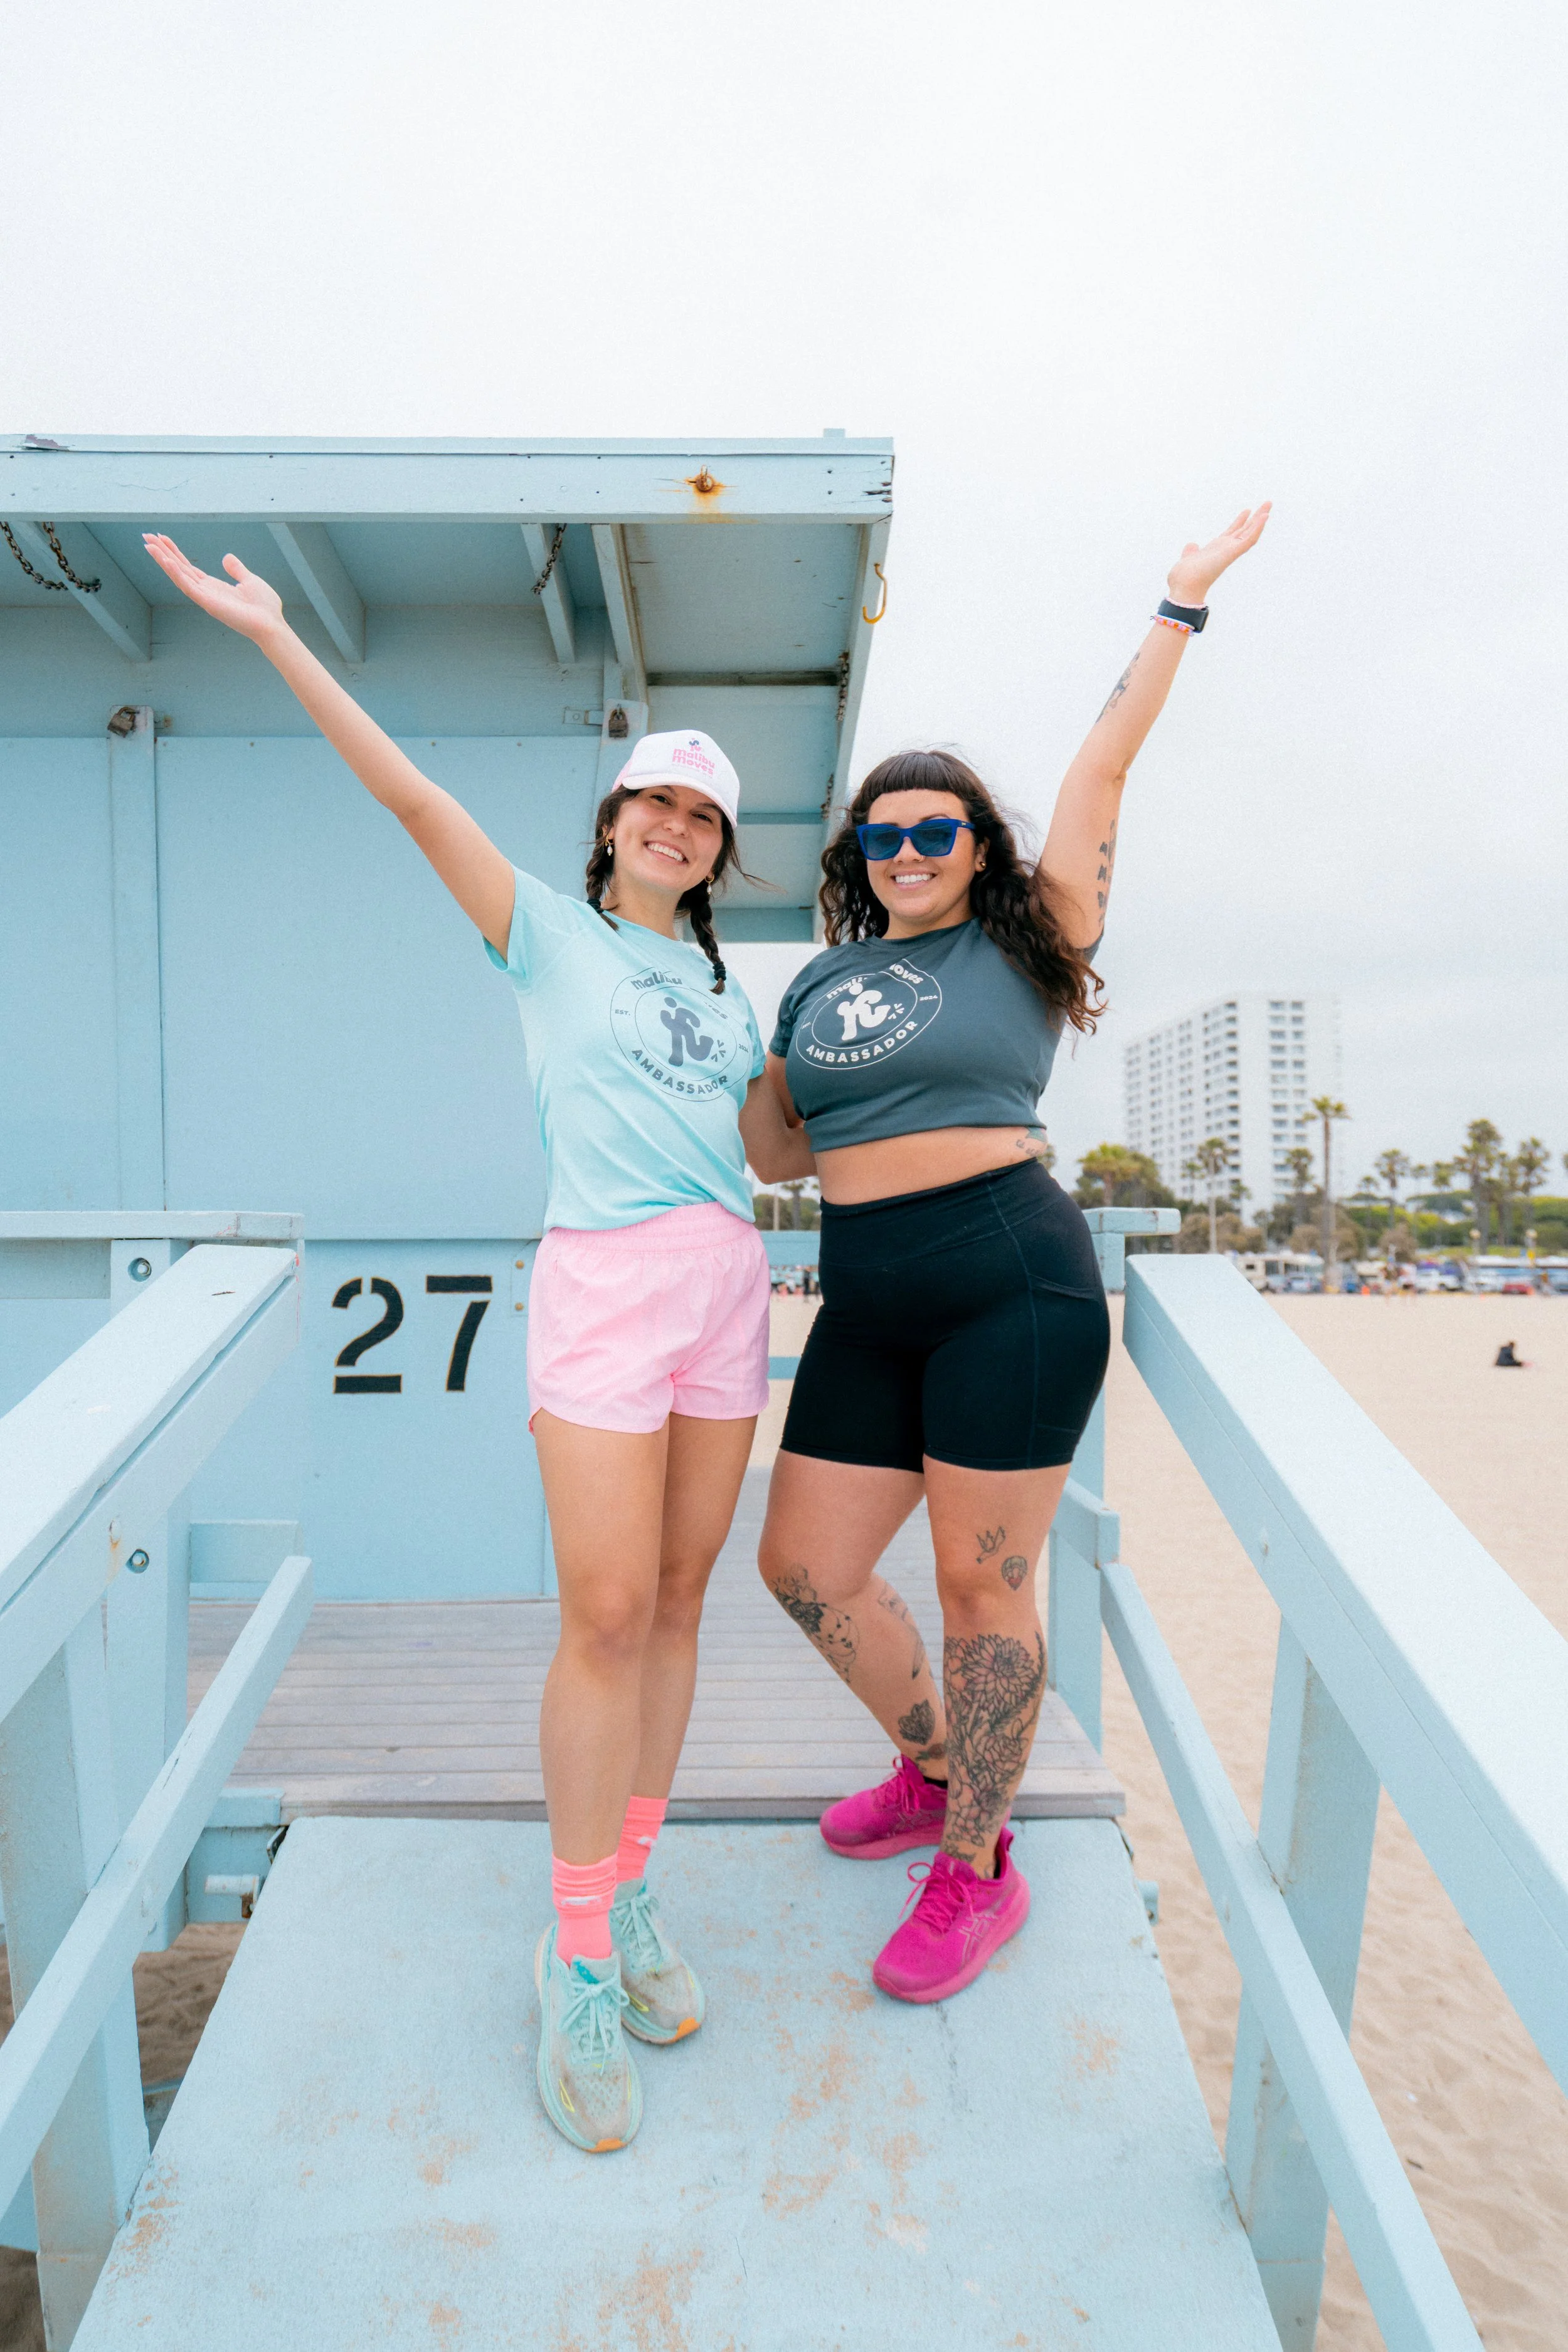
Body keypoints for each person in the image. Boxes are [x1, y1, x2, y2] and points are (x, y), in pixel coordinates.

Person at [142, 534, 810, 2149]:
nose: (674, 824)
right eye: (655, 801)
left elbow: (776, 1151)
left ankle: (630, 1888)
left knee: (671, 1601)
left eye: (703, 816)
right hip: (600, 1282)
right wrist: (281, 635)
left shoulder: (727, 998)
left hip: (728, 1280)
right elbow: (410, 799)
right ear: (613, 826)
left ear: (719, 854)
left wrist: (866, 1037)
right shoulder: (543, 933)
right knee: (595, 1610)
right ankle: (575, 1952)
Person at [759, 506, 1271, 2003]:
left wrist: (1174, 606)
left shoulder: (1023, 939)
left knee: (985, 1595)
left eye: (936, 830)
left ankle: (976, 1867)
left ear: (975, 850)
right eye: (883, 832)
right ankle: (937, 1773)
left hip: (1007, 1279)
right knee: (801, 1568)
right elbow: (776, 1153)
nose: (907, 848)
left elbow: (1100, 767)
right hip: (861, 1295)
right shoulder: (820, 980)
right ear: (858, 852)